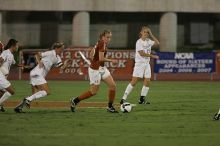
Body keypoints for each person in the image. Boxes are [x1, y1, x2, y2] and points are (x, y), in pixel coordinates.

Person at [70, 29, 118, 113]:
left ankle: (110, 107)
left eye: (110, 37)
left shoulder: (99, 42)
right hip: (95, 70)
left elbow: (90, 54)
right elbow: (101, 58)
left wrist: (94, 60)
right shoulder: (102, 43)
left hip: (102, 68)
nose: (109, 39)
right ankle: (75, 101)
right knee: (93, 92)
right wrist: (112, 60)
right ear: (102, 37)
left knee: (113, 86)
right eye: (107, 37)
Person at [14, 42, 71, 113]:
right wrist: (39, 62)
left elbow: (62, 68)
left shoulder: (58, 58)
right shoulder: (50, 53)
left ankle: (19, 108)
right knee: (47, 91)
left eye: (63, 49)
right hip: (37, 73)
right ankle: (27, 99)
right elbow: (37, 54)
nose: (62, 50)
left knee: (35, 94)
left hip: (36, 74)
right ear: (56, 48)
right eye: (61, 49)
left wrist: (67, 64)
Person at [120, 26, 159, 105]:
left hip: (146, 64)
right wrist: (152, 56)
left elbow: (158, 43)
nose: (146, 33)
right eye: (144, 32)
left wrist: (151, 34)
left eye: (147, 32)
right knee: (134, 82)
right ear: (141, 33)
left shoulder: (149, 41)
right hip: (139, 64)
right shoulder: (139, 42)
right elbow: (141, 53)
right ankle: (123, 98)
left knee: (147, 81)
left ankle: (141, 99)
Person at [0, 39, 18, 112]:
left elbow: (14, 63)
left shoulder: (11, 55)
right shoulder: (5, 52)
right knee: (11, 91)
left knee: (2, 93)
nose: (17, 47)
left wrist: (22, 66)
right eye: (17, 45)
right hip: (0, 76)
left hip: (3, 77)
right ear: (13, 46)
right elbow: (0, 60)